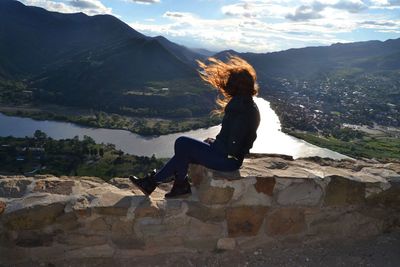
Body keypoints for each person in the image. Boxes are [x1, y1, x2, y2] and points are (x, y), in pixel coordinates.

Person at [130, 55, 260, 198]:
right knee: (184, 151)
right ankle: (173, 185)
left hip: (227, 161)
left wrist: (217, 147)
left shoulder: (240, 109)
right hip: (229, 158)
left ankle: (162, 183)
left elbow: (233, 146)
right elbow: (235, 140)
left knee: (182, 143)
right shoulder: (248, 106)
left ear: (236, 86)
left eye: (229, 82)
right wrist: (215, 143)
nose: (226, 84)